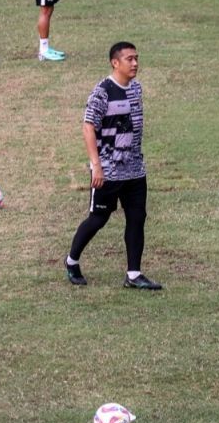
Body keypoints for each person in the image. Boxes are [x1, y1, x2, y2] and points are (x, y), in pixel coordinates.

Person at [64, 42, 163, 291]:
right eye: (129, 59)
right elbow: (88, 127)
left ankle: (133, 274)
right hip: (108, 169)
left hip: (135, 168)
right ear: (115, 62)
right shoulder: (103, 91)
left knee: (137, 218)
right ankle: (71, 261)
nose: (135, 63)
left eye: (137, 58)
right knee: (98, 218)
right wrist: (96, 166)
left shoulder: (136, 89)